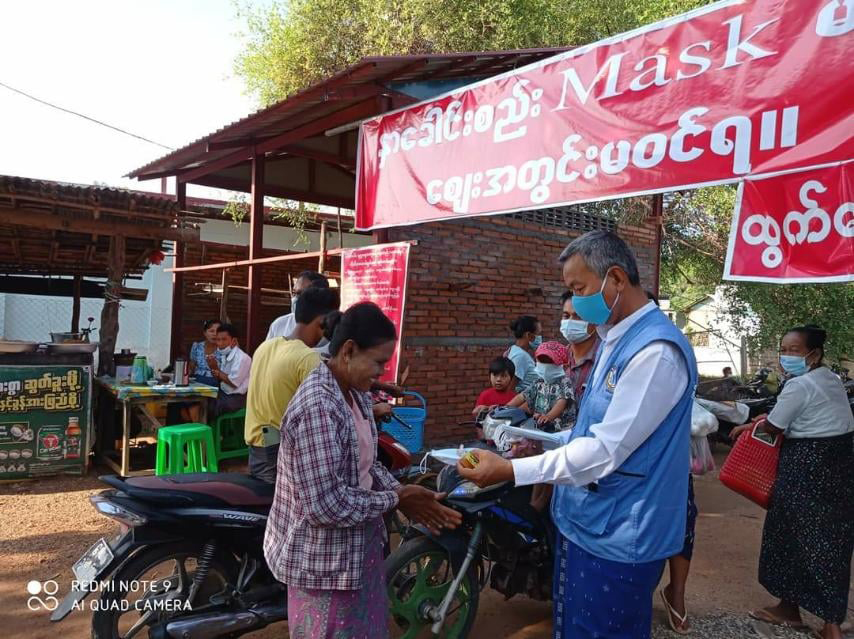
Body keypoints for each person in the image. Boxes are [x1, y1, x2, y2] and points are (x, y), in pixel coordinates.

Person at [458, 230, 697, 639]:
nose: (576, 302)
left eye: (579, 288)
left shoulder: (655, 352)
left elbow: (605, 451)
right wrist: (533, 451)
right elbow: (588, 431)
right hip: (586, 522)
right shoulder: (613, 340)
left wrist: (512, 472)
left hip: (622, 532)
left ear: (616, 279)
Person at [263, 302, 462, 638]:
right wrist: (396, 501)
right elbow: (325, 505)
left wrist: (399, 491)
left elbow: (366, 469)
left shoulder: (355, 396)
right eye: (379, 362)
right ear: (349, 351)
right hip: (323, 565)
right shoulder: (318, 407)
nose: (382, 373)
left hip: (356, 554)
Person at [730, 325, 853, 639]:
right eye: (784, 349)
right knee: (829, 541)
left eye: (794, 350)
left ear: (814, 354)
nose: (786, 356)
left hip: (806, 467)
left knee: (793, 537)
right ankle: (798, 610)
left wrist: (749, 428)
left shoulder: (799, 386)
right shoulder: (831, 379)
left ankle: (829, 626)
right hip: (839, 466)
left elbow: (774, 426)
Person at [244, 287, 340, 484]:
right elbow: (327, 408)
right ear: (323, 321)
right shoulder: (308, 358)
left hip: (257, 445)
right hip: (279, 449)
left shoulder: (266, 347)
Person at [506, 341, 574, 433]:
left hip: (561, 429)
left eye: (548, 362)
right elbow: (522, 396)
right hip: (540, 426)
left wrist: (548, 416)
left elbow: (562, 402)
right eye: (541, 362)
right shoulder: (538, 382)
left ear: (561, 365)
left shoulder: (565, 382)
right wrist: (506, 408)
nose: (544, 366)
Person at [559, 290, 600, 413]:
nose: (570, 321)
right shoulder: (556, 359)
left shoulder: (605, 359)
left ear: (595, 322)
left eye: (579, 316)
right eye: (566, 316)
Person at [266, 271, 328, 341]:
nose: (296, 298)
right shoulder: (279, 325)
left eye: (303, 294)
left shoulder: (333, 331)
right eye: (294, 293)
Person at [207, 323, 252, 417]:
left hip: (237, 398)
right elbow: (220, 379)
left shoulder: (242, 358)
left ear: (234, 341)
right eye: (218, 340)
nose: (220, 344)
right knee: (199, 400)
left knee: (207, 407)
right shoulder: (225, 354)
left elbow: (233, 382)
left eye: (224, 339)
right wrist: (213, 368)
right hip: (224, 393)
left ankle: (208, 429)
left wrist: (216, 370)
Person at [505, 315, 541, 393]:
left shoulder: (515, 350)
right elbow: (509, 389)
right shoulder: (520, 356)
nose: (540, 337)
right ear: (528, 335)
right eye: (538, 334)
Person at [188, 319, 222, 387]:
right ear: (205, 333)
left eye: (218, 331)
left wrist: (214, 367)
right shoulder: (197, 346)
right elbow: (191, 367)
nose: (215, 334)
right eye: (211, 331)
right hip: (197, 380)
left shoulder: (224, 349)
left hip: (216, 382)